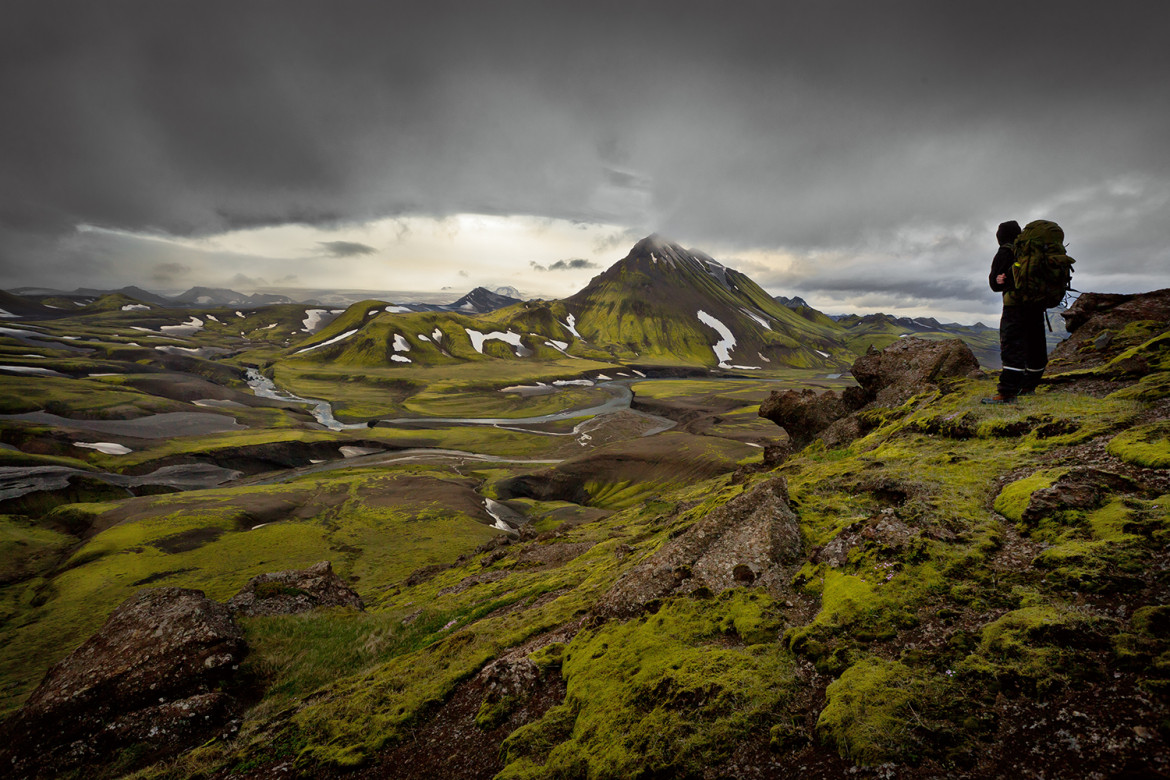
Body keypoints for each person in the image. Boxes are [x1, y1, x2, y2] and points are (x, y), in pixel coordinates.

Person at [984, 220, 1047, 403]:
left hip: (1015, 305)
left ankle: (1007, 392)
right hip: (1036, 304)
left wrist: (999, 280)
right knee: (1036, 343)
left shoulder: (1005, 251)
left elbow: (994, 285)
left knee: (1012, 345)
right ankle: (1029, 386)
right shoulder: (1032, 251)